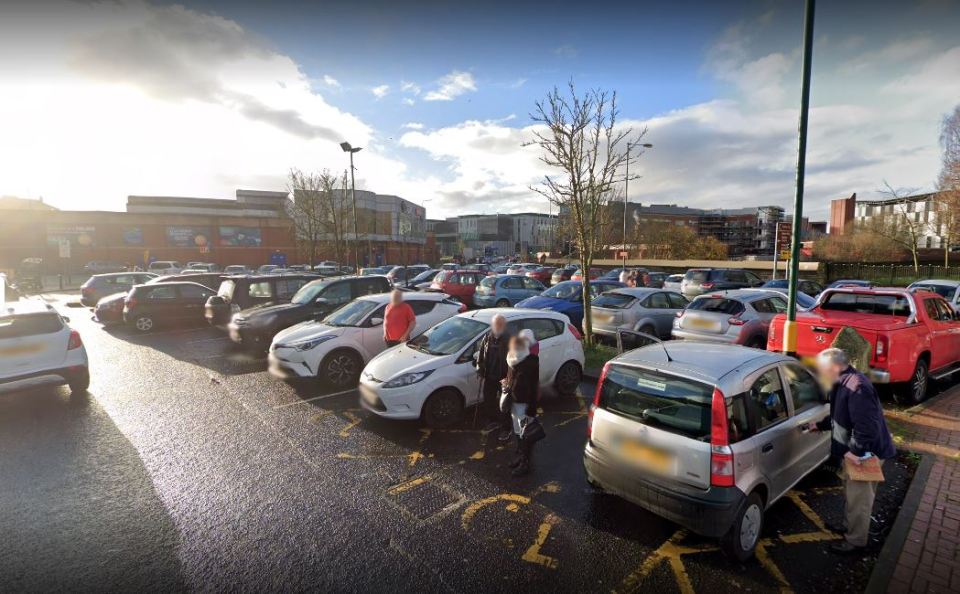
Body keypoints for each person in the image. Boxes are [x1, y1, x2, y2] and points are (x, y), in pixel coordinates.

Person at [809, 348, 896, 554]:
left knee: (860, 499)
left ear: (834, 366)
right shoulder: (842, 382)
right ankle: (849, 528)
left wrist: (855, 453)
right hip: (855, 453)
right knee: (851, 492)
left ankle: (856, 541)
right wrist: (820, 425)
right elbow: (840, 416)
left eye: (822, 368)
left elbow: (866, 428)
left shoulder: (857, 387)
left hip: (865, 455)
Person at [502, 329, 540, 477]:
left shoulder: (532, 361)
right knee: (518, 432)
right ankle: (520, 457)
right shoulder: (511, 357)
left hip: (524, 403)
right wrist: (506, 383)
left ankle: (525, 463)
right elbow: (509, 377)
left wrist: (532, 408)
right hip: (514, 401)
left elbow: (533, 385)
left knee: (526, 434)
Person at [475, 313, 512, 441]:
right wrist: (480, 369)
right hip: (490, 375)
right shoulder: (488, 337)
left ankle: (506, 428)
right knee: (488, 400)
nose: (497, 327)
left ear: (504, 325)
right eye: (495, 324)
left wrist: (509, 378)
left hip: (504, 378)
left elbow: (515, 361)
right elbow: (481, 354)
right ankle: (493, 421)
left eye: (500, 324)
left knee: (504, 405)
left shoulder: (510, 339)